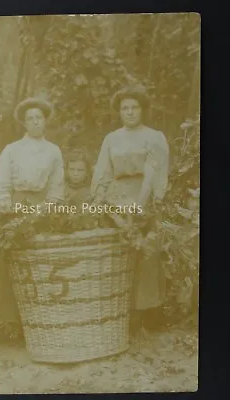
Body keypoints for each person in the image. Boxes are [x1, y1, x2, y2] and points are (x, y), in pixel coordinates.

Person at [0, 97, 65, 348]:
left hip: (43, 212)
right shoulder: (12, 150)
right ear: (24, 123)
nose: (35, 122)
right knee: (4, 263)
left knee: (42, 266)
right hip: (15, 210)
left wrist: (43, 211)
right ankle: (2, 325)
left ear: (45, 121)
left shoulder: (53, 151)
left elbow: (57, 189)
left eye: (39, 117)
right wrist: (10, 210)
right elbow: (2, 185)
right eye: (30, 119)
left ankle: (40, 328)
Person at [91, 84, 170, 341]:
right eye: (125, 108)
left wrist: (149, 203)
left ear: (142, 109)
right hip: (117, 201)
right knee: (119, 256)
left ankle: (146, 315)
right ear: (119, 112)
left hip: (143, 199)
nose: (130, 112)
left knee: (146, 254)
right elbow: (102, 171)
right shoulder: (112, 139)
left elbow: (158, 173)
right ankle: (118, 315)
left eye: (134, 107)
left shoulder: (154, 136)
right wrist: (100, 200)